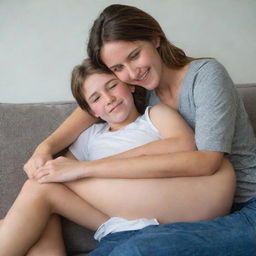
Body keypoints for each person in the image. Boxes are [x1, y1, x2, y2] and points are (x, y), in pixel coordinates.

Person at [23, 4, 256, 255]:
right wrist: (44, 148)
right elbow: (89, 108)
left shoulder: (206, 76)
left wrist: (83, 169)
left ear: (155, 38)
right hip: (185, 215)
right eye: (118, 68)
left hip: (247, 208)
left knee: (138, 250)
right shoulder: (144, 88)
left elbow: (207, 162)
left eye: (134, 55)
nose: (132, 72)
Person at [0, 59, 234, 256]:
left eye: (112, 86)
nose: (109, 98)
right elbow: (62, 171)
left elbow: (185, 145)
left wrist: (86, 168)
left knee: (40, 187)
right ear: (91, 112)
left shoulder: (155, 116)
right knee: (43, 193)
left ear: (130, 86)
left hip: (158, 203)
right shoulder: (91, 136)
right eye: (96, 98)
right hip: (112, 219)